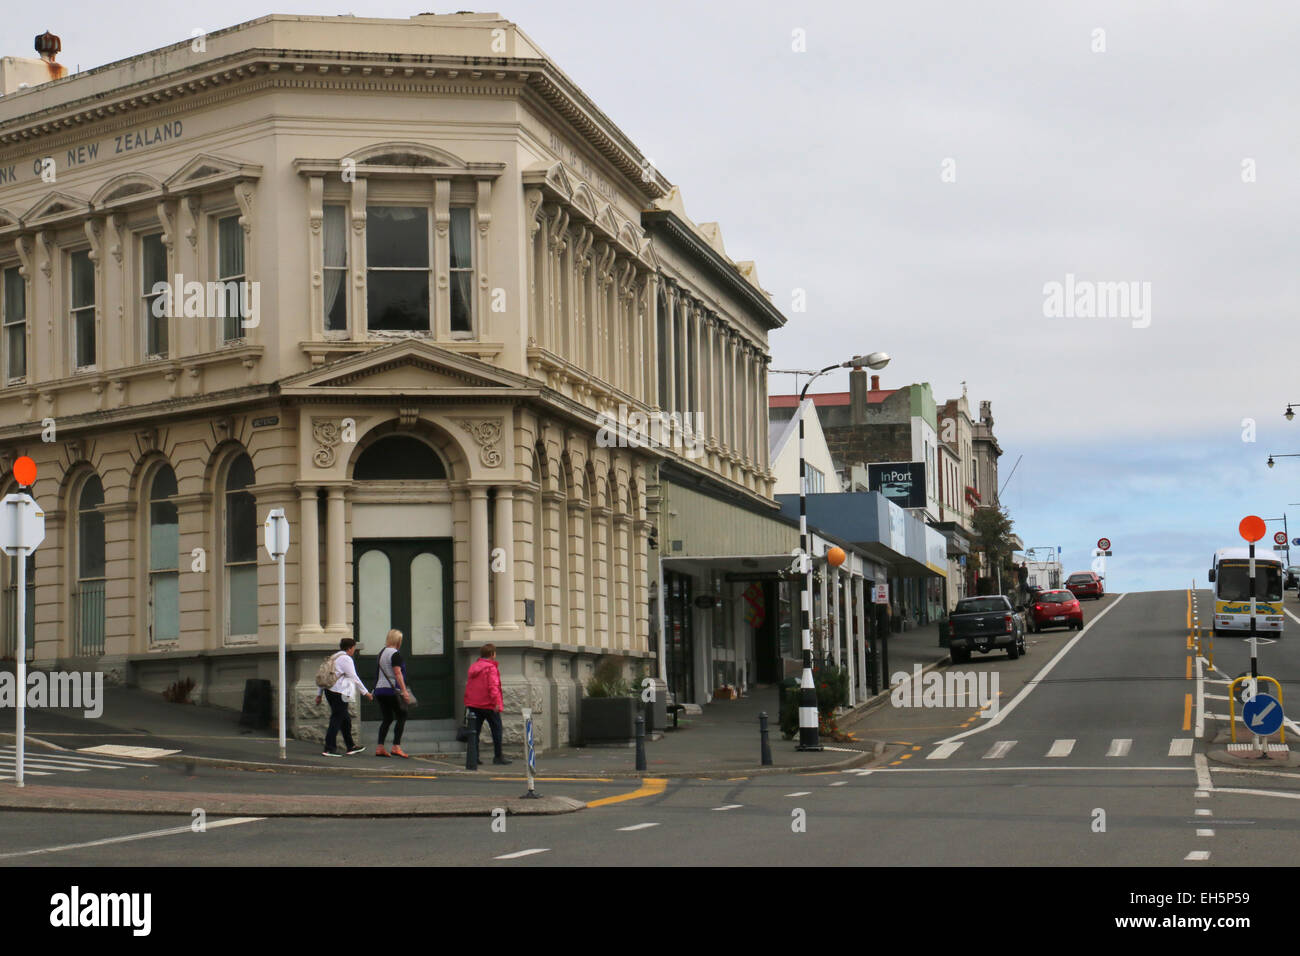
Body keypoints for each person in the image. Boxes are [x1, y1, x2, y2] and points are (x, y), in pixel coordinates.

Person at [315, 637, 373, 756]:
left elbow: (324, 676)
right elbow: (354, 677)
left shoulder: (333, 657)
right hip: (340, 692)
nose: (354, 651)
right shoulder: (346, 659)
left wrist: (319, 694)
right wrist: (365, 692)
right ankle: (329, 748)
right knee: (336, 719)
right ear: (350, 648)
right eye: (353, 648)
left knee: (345, 719)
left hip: (329, 691)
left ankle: (350, 746)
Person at [464, 643, 511, 765]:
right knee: (497, 730)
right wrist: (497, 704)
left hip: (474, 704)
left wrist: (468, 702)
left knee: (475, 732)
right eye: (495, 653)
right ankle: (498, 756)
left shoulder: (473, 667)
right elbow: (493, 687)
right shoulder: (491, 668)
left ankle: (474, 757)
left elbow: (470, 687)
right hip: (489, 705)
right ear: (492, 654)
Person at [374, 628, 413, 758]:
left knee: (387, 718)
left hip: (380, 689)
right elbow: (398, 673)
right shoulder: (396, 654)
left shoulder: (381, 653)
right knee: (402, 714)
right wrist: (404, 691)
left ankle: (380, 747)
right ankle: (396, 746)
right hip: (392, 690)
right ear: (398, 640)